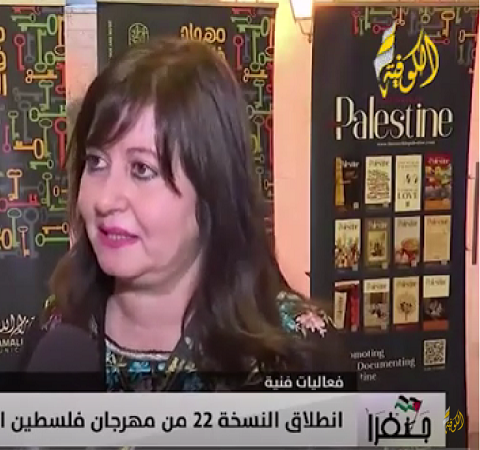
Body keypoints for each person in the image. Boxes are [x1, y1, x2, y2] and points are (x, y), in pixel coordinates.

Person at [21, 38, 348, 391]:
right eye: (96, 162)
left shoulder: (296, 357)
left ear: (213, 189)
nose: (105, 200)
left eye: (142, 169)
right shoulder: (61, 331)